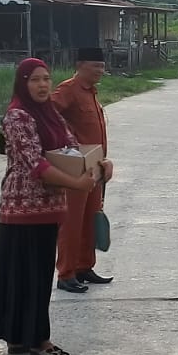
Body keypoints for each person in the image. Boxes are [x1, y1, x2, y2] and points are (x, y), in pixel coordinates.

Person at [0, 59, 101, 355]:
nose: (43, 85)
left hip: (48, 207)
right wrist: (77, 183)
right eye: (35, 79)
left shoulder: (51, 114)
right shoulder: (17, 116)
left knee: (35, 275)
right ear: (23, 83)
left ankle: (20, 338)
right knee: (23, 276)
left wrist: (99, 166)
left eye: (46, 78)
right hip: (22, 209)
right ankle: (38, 341)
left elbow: (72, 148)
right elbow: (36, 165)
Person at [52, 47, 116, 293]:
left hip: (94, 166)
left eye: (102, 66)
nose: (100, 70)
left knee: (90, 219)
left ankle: (84, 267)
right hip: (76, 168)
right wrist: (66, 142)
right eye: (95, 66)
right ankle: (66, 273)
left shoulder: (91, 92)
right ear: (80, 65)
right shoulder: (68, 90)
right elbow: (48, 115)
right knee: (72, 223)